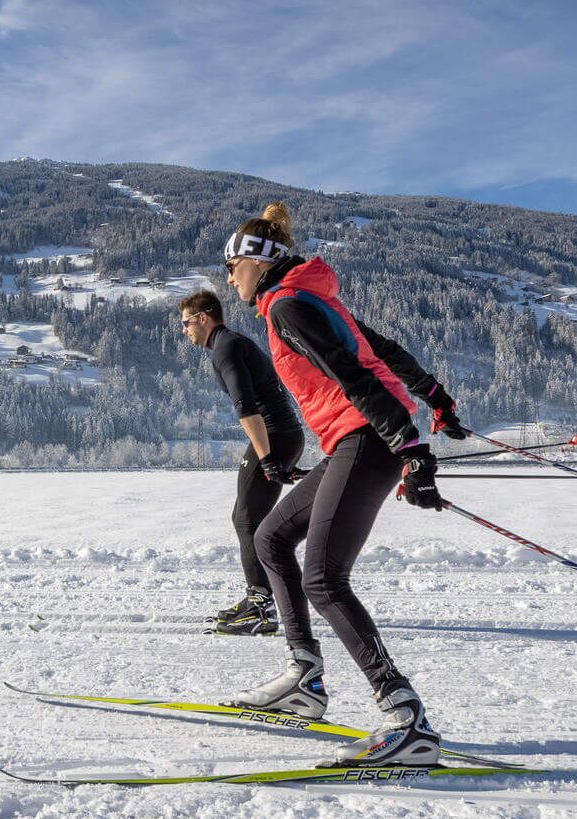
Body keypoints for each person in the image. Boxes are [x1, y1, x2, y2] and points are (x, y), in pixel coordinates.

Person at [215, 202, 472, 768]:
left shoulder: (288, 307)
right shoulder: (308, 300)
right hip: (353, 441)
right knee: (271, 539)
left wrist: (410, 448)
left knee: (325, 579)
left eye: (231, 266)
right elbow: (383, 351)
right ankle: (304, 677)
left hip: (368, 438)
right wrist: (437, 401)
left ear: (257, 263)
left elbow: (353, 375)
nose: (228, 277)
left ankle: (405, 717)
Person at [177, 289, 306, 636]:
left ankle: (261, 608)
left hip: (275, 436)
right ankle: (262, 601)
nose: (185, 331)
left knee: (246, 520)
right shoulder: (232, 343)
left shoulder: (225, 348)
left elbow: (246, 407)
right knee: (251, 518)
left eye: (187, 323)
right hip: (284, 435)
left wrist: (267, 458)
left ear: (204, 317)